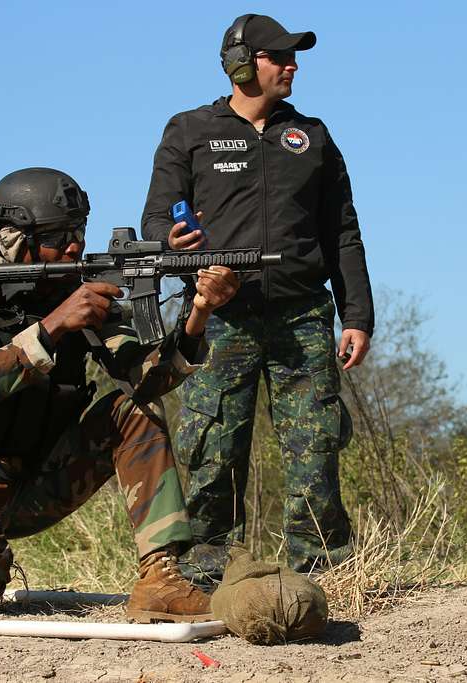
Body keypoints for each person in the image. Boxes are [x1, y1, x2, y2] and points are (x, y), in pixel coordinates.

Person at [0, 167, 239, 621]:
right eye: (59, 235)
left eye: (78, 231)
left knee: (133, 409)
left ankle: (162, 577)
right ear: (13, 240)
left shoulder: (77, 288)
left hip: (38, 475)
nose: (74, 246)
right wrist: (54, 325)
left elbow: (147, 378)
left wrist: (199, 311)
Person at [140, 14, 375, 579]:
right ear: (242, 63)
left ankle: (322, 572)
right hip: (221, 317)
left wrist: (357, 315)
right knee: (211, 448)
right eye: (279, 56)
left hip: (303, 316)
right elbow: (153, 221)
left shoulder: (313, 137)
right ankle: (206, 572)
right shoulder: (189, 130)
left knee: (315, 447)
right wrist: (170, 240)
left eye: (294, 57)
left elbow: (342, 231)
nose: (292, 65)